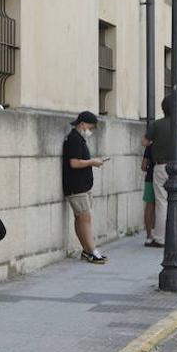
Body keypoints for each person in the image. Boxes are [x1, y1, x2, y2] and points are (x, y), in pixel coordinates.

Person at [62, 111, 108, 261]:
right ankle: (92, 250)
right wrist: (93, 162)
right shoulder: (74, 139)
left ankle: (87, 250)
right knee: (85, 218)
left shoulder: (78, 138)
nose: (91, 131)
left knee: (81, 218)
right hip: (77, 186)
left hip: (82, 185)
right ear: (82, 124)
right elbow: (74, 163)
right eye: (91, 127)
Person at [143, 96, 177, 246]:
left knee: (162, 202)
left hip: (161, 166)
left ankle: (160, 238)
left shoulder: (156, 125)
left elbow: (145, 142)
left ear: (163, 108)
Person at [141, 144, 156, 244]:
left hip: (150, 177)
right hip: (165, 177)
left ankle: (149, 234)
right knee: (162, 206)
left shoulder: (150, 146)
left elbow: (143, 166)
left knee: (149, 205)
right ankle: (159, 233)